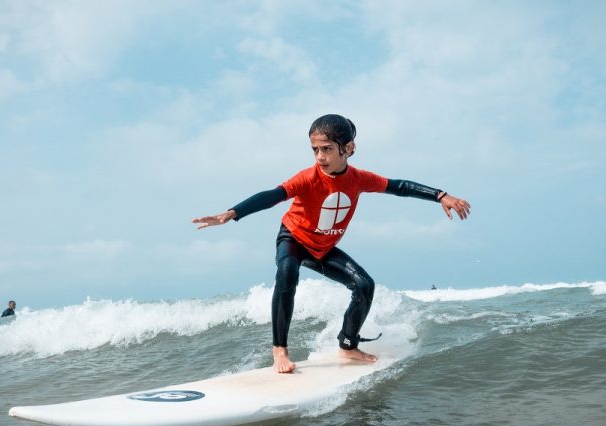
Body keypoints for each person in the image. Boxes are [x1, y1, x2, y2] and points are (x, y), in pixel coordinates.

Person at [193, 114, 471, 373]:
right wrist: (233, 213)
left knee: (364, 285)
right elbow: (273, 195)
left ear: (347, 148)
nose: (320, 157)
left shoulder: (359, 179)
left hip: (323, 248)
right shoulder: (308, 177)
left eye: (326, 149)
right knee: (287, 272)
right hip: (293, 239)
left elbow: (399, 186)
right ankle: (280, 351)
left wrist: (440, 196)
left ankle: (348, 346)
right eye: (315, 150)